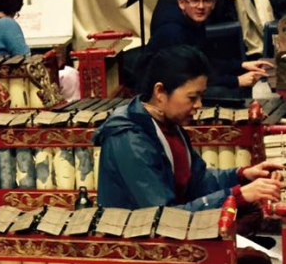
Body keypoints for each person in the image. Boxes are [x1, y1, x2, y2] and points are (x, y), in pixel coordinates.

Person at [94, 45, 281, 211]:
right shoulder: (129, 140)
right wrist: (237, 196)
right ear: (160, 92)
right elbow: (164, 215)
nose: (199, 105)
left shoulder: (170, 125)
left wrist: (242, 176)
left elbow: (196, 181)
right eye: (192, 97)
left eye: (201, 96)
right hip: (139, 237)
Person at [147, 0, 271, 93]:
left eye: (206, 0)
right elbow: (186, 78)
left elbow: (205, 63)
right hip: (162, 91)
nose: (201, 6)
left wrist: (242, 65)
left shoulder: (195, 23)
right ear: (182, 3)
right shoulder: (172, 32)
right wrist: (236, 81)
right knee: (229, 92)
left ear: (213, 3)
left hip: (183, 82)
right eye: (194, 0)